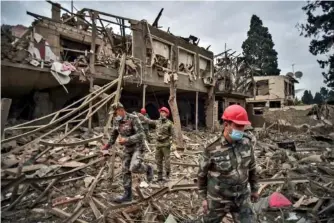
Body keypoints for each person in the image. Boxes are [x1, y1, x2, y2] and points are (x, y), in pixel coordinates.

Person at [195, 104, 259, 223]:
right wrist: (203, 198)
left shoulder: (247, 143)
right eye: (237, 126)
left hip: (241, 198)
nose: (241, 130)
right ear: (226, 124)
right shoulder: (212, 148)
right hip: (218, 200)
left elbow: (252, 168)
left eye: (243, 126)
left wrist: (255, 189)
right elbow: (201, 175)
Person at [101, 102, 154, 203]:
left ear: (121, 110)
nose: (114, 116)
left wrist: (127, 140)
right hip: (128, 149)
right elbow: (114, 134)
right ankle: (128, 195)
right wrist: (107, 146)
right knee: (125, 170)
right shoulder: (116, 121)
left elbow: (142, 135)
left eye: (115, 113)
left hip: (138, 147)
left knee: (133, 167)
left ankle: (148, 168)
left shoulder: (133, 118)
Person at [138, 106, 174, 182]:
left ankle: (167, 176)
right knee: (158, 161)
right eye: (161, 112)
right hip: (158, 145)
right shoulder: (157, 122)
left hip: (165, 145)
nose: (162, 113)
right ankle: (159, 177)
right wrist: (141, 116)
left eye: (163, 112)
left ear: (167, 114)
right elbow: (148, 121)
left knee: (167, 161)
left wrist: (173, 144)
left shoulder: (169, 124)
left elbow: (173, 135)